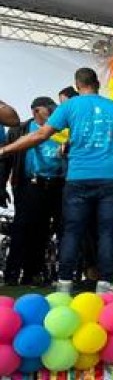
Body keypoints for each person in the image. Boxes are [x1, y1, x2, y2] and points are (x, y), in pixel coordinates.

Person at [0, 68, 113, 294]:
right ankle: (105, 283)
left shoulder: (69, 107)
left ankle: (63, 282)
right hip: (111, 177)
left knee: (72, 231)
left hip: (78, 178)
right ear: (97, 83)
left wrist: (5, 150)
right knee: (108, 231)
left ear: (77, 84)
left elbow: (41, 135)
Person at [0, 97, 67, 285]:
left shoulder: (61, 130)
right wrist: (1, 186)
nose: (53, 112)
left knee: (43, 231)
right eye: (49, 109)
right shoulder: (19, 130)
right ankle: (12, 274)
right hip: (28, 185)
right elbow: (6, 158)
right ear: (36, 111)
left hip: (55, 185)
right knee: (22, 229)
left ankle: (33, 273)